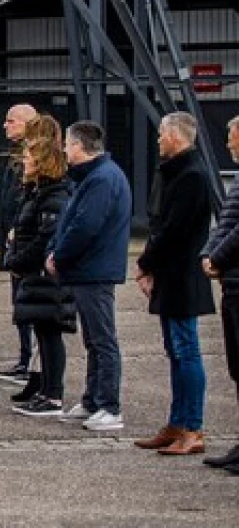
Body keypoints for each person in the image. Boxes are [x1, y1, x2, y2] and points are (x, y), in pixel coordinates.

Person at [132, 113, 214, 456]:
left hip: (182, 275)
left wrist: (145, 263)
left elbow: (173, 231)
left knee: (186, 350)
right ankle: (177, 422)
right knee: (175, 351)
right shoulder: (176, 174)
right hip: (171, 274)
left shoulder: (192, 177)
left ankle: (192, 427)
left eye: (162, 134)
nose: (158, 140)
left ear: (177, 137)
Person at [47, 120, 131, 432]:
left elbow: (85, 225)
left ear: (80, 146)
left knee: (102, 338)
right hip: (88, 269)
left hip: (95, 270)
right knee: (93, 340)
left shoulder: (102, 179)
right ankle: (92, 400)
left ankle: (110, 405)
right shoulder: (93, 177)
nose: (65, 149)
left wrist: (60, 254)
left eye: (68, 144)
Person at [7, 117, 75, 417]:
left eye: (29, 158)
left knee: (50, 334)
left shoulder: (54, 195)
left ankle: (53, 393)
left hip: (46, 276)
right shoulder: (38, 193)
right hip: (36, 275)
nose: (24, 162)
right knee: (43, 332)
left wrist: (19, 261)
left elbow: (44, 236)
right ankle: (44, 388)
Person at [201, 116, 239, 473]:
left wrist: (218, 256)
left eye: (231, 136)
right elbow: (224, 223)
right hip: (231, 281)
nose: (227, 143)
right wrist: (209, 253)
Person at [0, 104, 41, 383]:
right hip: (14, 239)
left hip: (25, 241)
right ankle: (24, 357)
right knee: (19, 302)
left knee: (31, 302)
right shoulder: (16, 156)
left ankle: (32, 363)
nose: (5, 125)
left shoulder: (37, 156)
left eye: (10, 121)